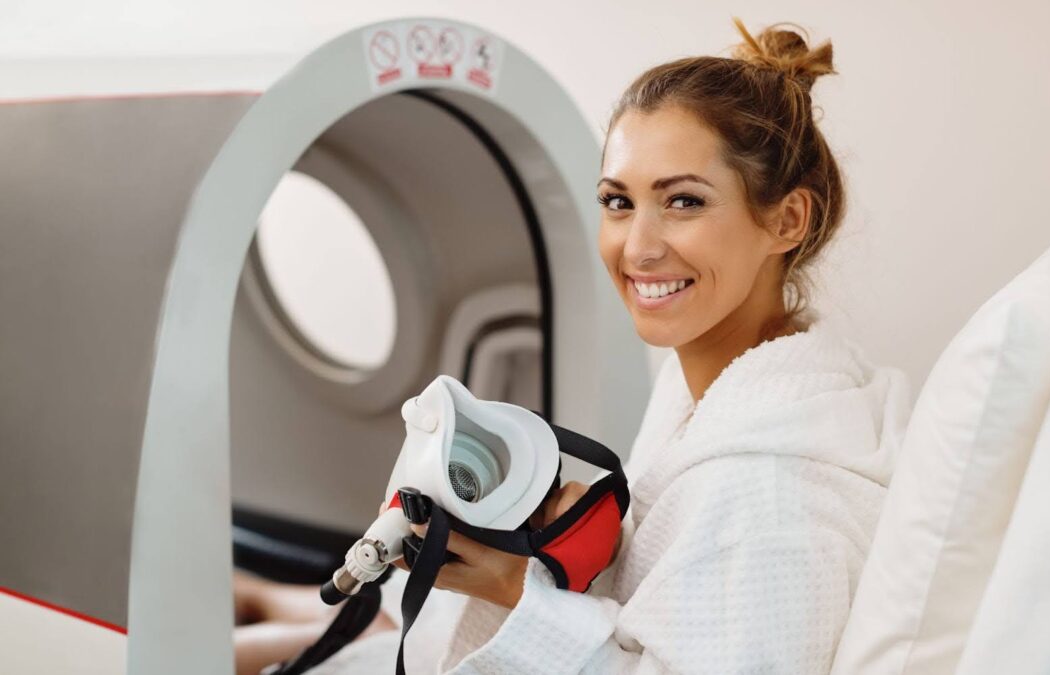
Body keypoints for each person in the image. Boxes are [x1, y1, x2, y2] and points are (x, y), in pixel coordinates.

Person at [238, 17, 912, 674]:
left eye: (683, 202)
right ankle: (295, 617)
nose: (638, 247)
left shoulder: (773, 496)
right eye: (618, 202)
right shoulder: (719, 393)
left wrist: (512, 589)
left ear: (787, 219)